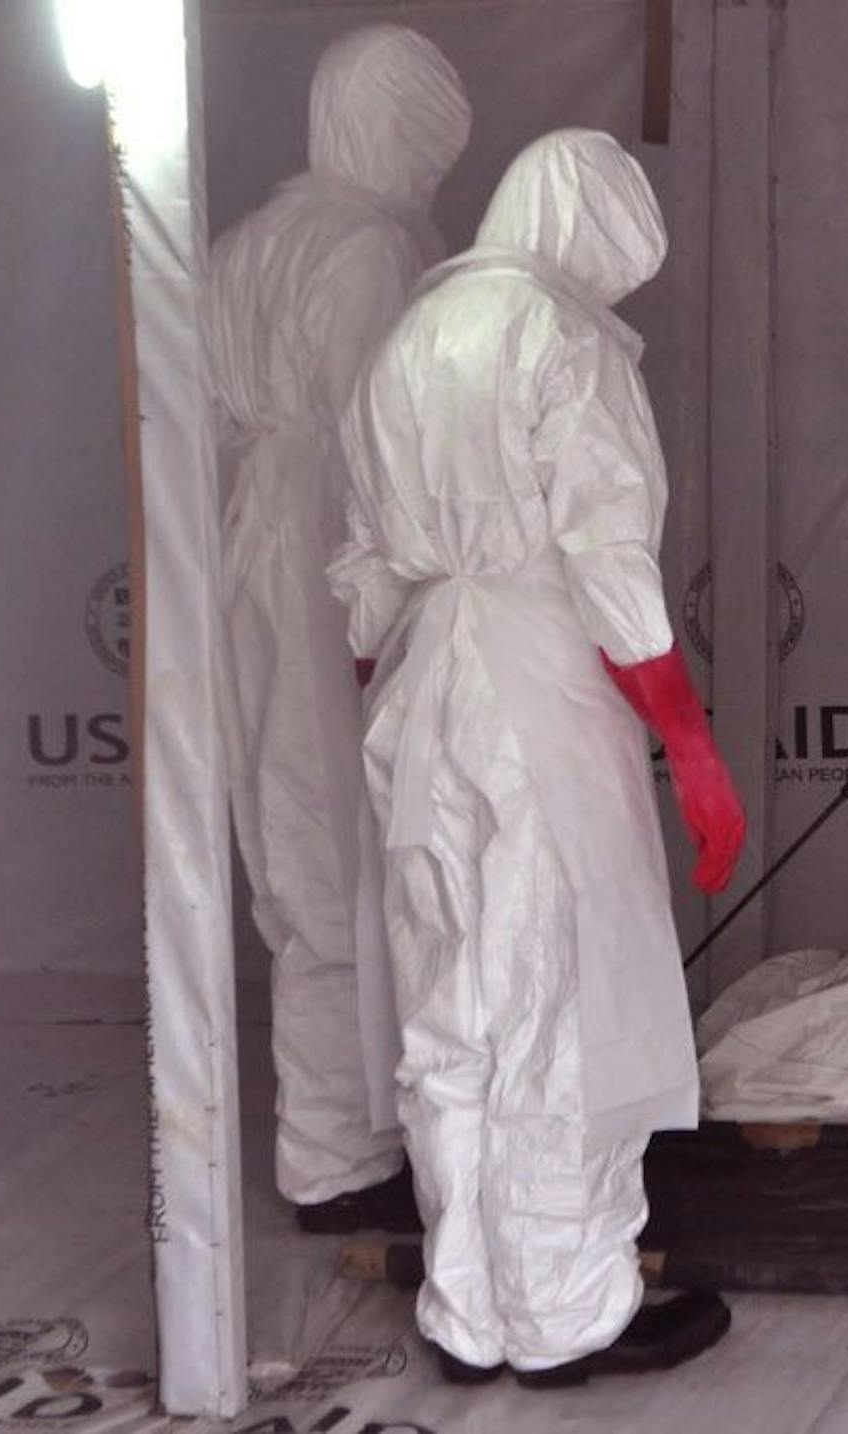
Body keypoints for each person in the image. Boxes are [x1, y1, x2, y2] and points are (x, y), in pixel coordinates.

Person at [334, 128, 746, 1386]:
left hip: (424, 692)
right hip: (538, 693)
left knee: (450, 1008)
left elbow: (363, 572)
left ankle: (467, 1311)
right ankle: (566, 1314)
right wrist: (690, 744)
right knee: (560, 1003)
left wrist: (394, 693)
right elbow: (609, 557)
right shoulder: (561, 339)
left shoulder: (404, 339)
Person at [203, 23, 470, 1235]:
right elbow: (388, 435)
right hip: (338, 557)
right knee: (366, 843)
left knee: (293, 836)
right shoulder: (370, 245)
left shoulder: (242, 242)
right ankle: (372, 1142)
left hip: (247, 549)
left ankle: (328, 1144)